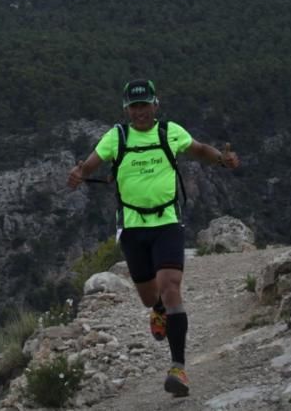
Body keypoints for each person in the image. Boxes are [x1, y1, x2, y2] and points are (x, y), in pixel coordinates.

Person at [67, 78, 240, 397]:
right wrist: (80, 174)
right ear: (126, 110)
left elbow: (199, 149)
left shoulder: (169, 132)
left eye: (145, 105)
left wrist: (220, 159)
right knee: (149, 296)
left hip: (167, 221)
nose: (141, 112)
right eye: (135, 107)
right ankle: (158, 308)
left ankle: (179, 368)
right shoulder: (116, 137)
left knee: (170, 284)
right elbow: (91, 163)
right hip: (132, 227)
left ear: (155, 105)